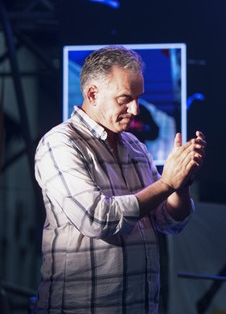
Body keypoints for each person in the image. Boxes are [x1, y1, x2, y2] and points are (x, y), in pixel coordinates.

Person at [33, 46, 206, 313]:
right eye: (125, 99)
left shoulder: (136, 147)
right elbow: (97, 219)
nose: (135, 110)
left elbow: (169, 221)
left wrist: (181, 183)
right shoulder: (60, 143)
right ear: (92, 94)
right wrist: (166, 183)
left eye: (138, 98)